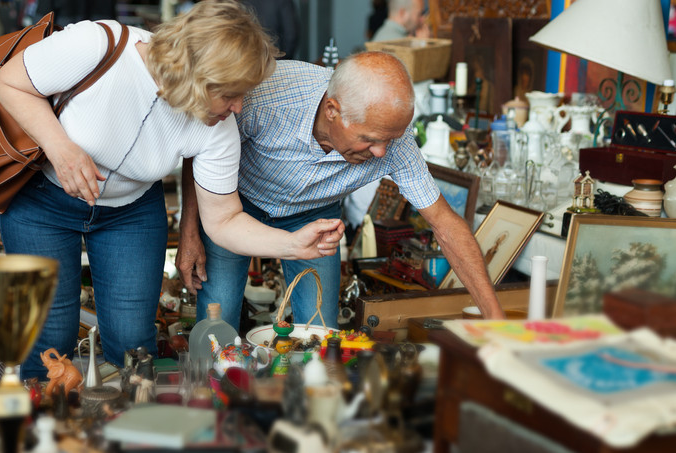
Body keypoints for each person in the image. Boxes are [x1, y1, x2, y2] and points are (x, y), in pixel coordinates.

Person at [0, 0, 343, 380]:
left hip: (130, 212)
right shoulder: (96, 45)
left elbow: (224, 220)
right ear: (196, 74)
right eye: (230, 94)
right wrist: (59, 146)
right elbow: (8, 82)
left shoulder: (217, 127)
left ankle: (120, 427)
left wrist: (293, 244)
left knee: (132, 344)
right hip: (42, 203)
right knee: (48, 333)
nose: (239, 108)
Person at [176, 52, 504, 330]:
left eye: (389, 140)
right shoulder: (267, 94)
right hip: (235, 206)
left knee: (320, 329)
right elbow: (201, 147)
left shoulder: (393, 141)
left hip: (316, 217)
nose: (381, 152)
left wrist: (495, 319)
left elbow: (445, 225)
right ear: (333, 111)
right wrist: (189, 229)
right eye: (371, 139)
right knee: (218, 319)